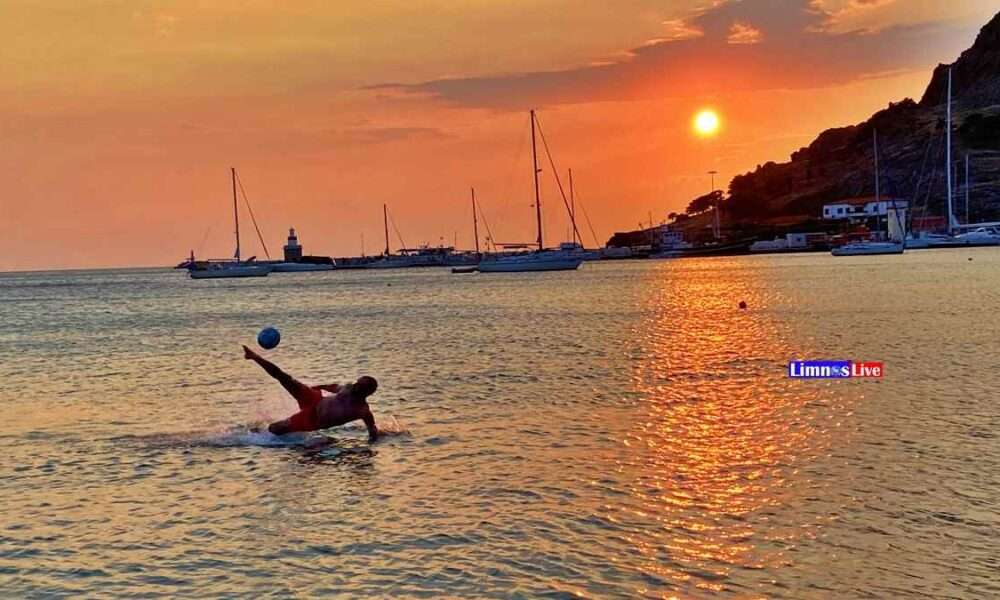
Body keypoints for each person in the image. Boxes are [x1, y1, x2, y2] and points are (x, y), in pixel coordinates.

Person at [243, 345, 379, 442]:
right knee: (284, 377)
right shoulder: (349, 388)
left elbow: (372, 430)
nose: (356, 385)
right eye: (357, 382)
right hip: (314, 398)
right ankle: (254, 356)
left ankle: (253, 436)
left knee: (275, 429)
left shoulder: (362, 410)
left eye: (360, 385)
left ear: (367, 391)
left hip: (312, 419)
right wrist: (315, 388)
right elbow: (333, 387)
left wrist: (371, 445)